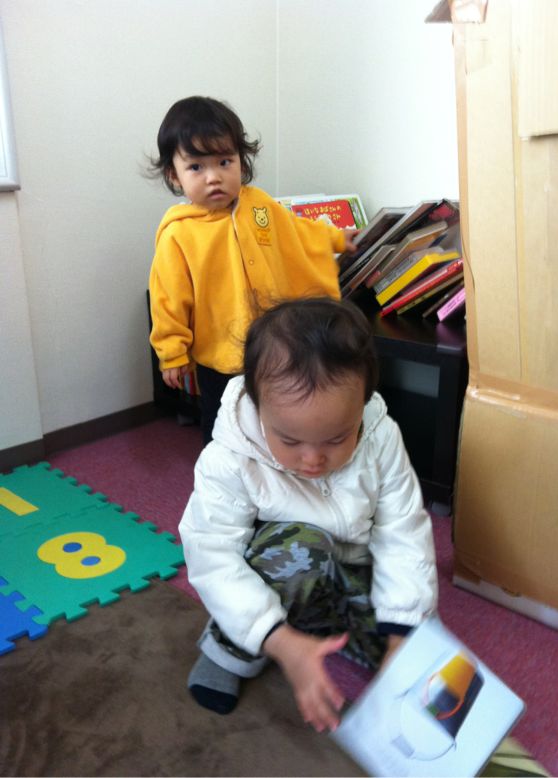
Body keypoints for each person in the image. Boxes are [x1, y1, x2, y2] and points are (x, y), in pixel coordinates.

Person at [178, 296, 438, 733]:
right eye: (290, 440)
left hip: (351, 567)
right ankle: (229, 652)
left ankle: (335, 632)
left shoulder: (381, 436)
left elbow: (403, 530)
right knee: (299, 548)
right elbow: (212, 555)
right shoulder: (229, 457)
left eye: (336, 438)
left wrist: (401, 633)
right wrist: (280, 642)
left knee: (418, 648)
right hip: (281, 574)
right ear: (258, 408)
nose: (313, 459)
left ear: (363, 404)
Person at [148, 96, 358, 444]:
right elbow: (168, 298)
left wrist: (335, 238)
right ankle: (221, 473)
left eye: (224, 162)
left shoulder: (259, 205)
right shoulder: (178, 234)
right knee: (223, 423)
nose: (214, 177)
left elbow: (296, 232)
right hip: (220, 355)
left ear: (240, 161)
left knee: (273, 415)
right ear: (174, 175)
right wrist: (172, 352)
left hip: (274, 344)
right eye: (196, 167)